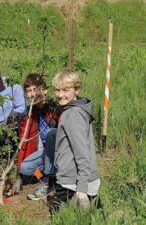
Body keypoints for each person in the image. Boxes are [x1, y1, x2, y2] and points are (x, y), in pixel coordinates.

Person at [49, 69, 100, 211]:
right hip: (76, 176)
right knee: (96, 215)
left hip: (71, 179)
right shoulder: (76, 108)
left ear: (76, 89)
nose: (60, 95)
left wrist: (82, 188)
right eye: (57, 90)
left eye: (66, 90)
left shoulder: (72, 115)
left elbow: (82, 152)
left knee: (59, 217)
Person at [4, 73, 60, 199]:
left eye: (36, 89)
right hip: (45, 154)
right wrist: (18, 178)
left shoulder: (54, 108)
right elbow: (24, 145)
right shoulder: (29, 114)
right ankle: (43, 178)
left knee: (51, 135)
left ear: (44, 90)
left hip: (60, 152)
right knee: (25, 168)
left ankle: (49, 183)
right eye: (29, 91)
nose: (32, 94)